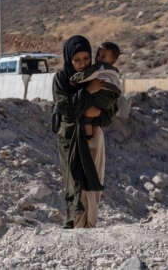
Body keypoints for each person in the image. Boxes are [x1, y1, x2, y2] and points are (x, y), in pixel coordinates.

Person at [53, 35, 117, 229]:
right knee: (74, 183)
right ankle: (74, 224)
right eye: (76, 60)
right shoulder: (62, 79)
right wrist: (88, 92)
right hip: (70, 138)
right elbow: (66, 108)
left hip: (94, 137)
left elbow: (109, 113)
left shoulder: (99, 75)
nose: (82, 64)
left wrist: (94, 115)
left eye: (86, 58)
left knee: (93, 182)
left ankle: (90, 224)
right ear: (68, 59)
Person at [70, 42, 121, 139]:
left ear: (113, 60)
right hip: (110, 98)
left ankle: (87, 136)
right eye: (98, 55)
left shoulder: (99, 67)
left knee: (84, 111)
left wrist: (74, 79)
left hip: (101, 95)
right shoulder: (115, 71)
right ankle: (89, 136)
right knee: (88, 115)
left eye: (103, 57)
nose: (98, 59)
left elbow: (86, 75)